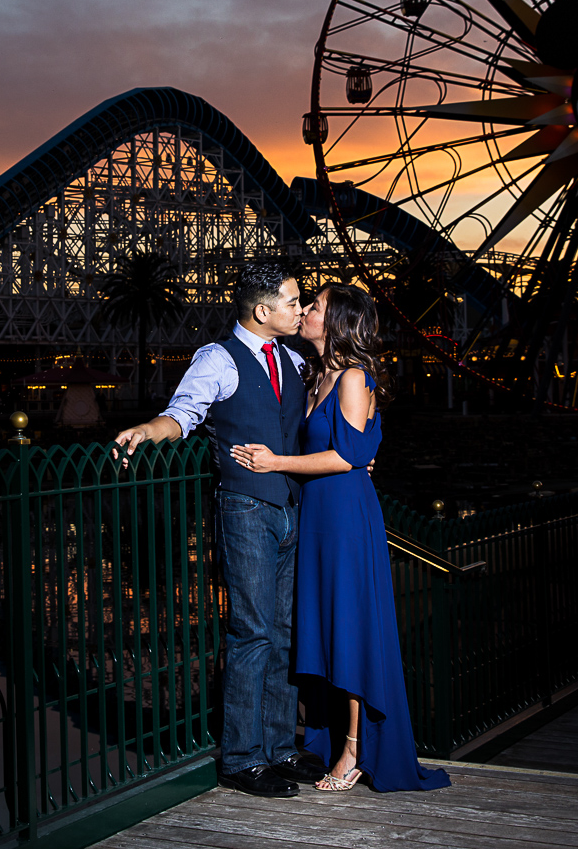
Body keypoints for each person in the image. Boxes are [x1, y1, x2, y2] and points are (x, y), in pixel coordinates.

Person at [113, 263, 327, 798]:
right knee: (251, 632)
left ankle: (279, 748)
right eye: (293, 301)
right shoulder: (217, 359)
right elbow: (182, 415)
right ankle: (240, 758)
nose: (300, 309)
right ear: (263, 311)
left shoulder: (295, 360)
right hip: (246, 509)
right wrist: (147, 429)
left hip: (291, 506)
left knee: (282, 632)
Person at [230, 283, 449, 794]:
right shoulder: (314, 376)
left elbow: (349, 457)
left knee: (349, 629)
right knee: (326, 627)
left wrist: (277, 462)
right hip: (318, 517)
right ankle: (330, 736)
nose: (305, 311)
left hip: (347, 519)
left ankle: (354, 748)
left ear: (338, 322)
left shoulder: (353, 377)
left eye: (316, 306)